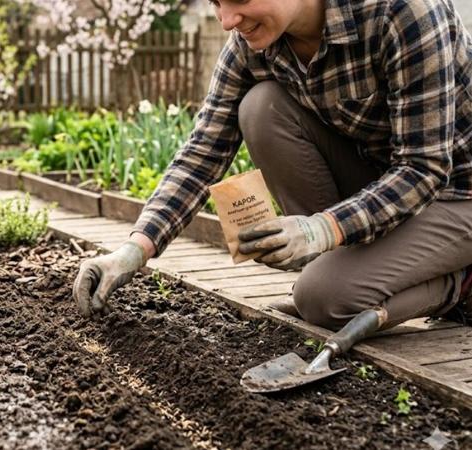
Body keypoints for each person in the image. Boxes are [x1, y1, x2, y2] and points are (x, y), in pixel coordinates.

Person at [72, 0, 472, 330]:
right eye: (215, 3)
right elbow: (203, 151)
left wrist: (321, 229)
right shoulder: (253, 44)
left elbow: (423, 168)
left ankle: (459, 282)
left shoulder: (402, 13)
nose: (228, 20)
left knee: (323, 299)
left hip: (456, 191)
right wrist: (133, 251)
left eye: (240, 0)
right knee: (261, 107)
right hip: (383, 186)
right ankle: (342, 273)